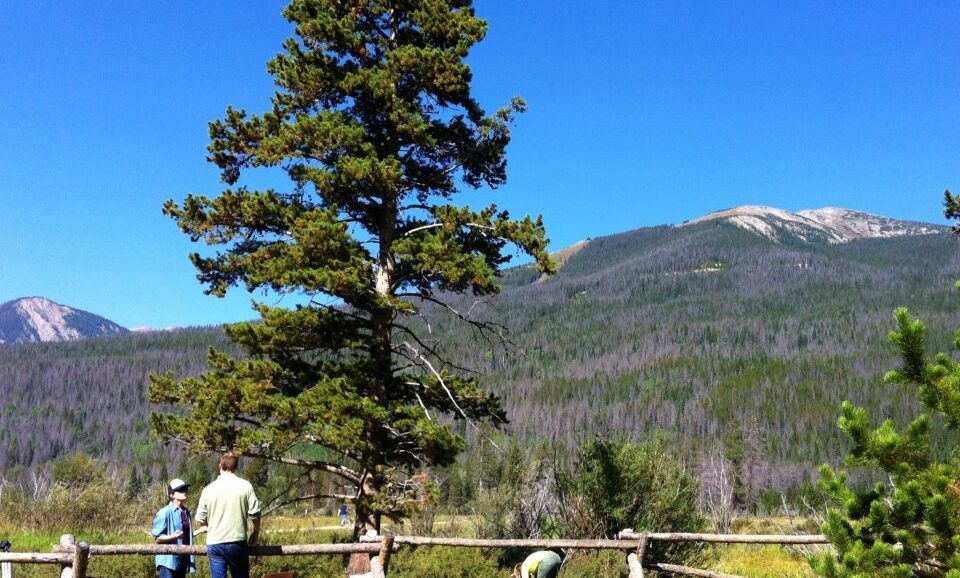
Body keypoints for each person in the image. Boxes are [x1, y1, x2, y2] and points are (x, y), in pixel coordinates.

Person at [195, 453, 262, 578]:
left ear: (220, 466)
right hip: (237, 541)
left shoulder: (208, 489)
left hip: (215, 542)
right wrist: (256, 532)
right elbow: (255, 514)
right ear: (236, 468)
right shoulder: (245, 486)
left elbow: (199, 518)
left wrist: (207, 526)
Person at [152, 478, 196, 578]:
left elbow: (184, 535)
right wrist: (173, 536)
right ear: (171, 495)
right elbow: (158, 538)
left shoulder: (186, 512)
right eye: (180, 490)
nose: (185, 491)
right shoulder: (164, 512)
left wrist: (200, 531)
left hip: (183, 558)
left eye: (185, 489)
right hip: (168, 560)